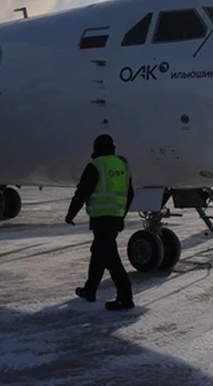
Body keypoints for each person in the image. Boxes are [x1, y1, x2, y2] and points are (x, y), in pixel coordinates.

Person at [64, 133, 135, 311]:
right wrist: (121, 215)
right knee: (98, 252)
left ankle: (125, 297)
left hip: (101, 219)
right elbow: (130, 193)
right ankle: (90, 289)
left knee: (111, 258)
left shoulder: (96, 166)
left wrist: (70, 214)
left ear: (96, 149)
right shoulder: (122, 165)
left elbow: (82, 192)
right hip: (115, 218)